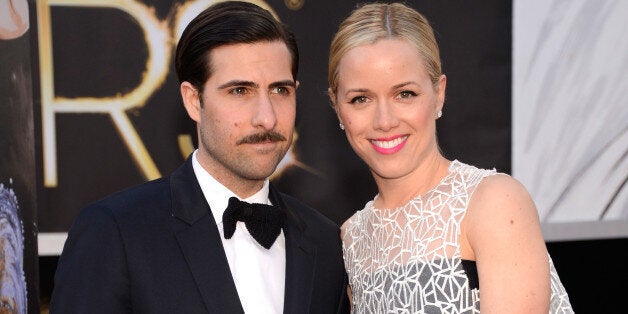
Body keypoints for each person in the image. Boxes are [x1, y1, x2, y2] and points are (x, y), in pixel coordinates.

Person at [50, 2, 348, 313]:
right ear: (194, 101)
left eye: (279, 91)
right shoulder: (115, 233)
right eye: (239, 91)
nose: (267, 118)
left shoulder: (324, 241)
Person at [327, 3, 573, 313]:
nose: (384, 120)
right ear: (337, 107)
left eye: (405, 94)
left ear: (438, 93)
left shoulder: (492, 202)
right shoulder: (352, 238)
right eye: (360, 99)